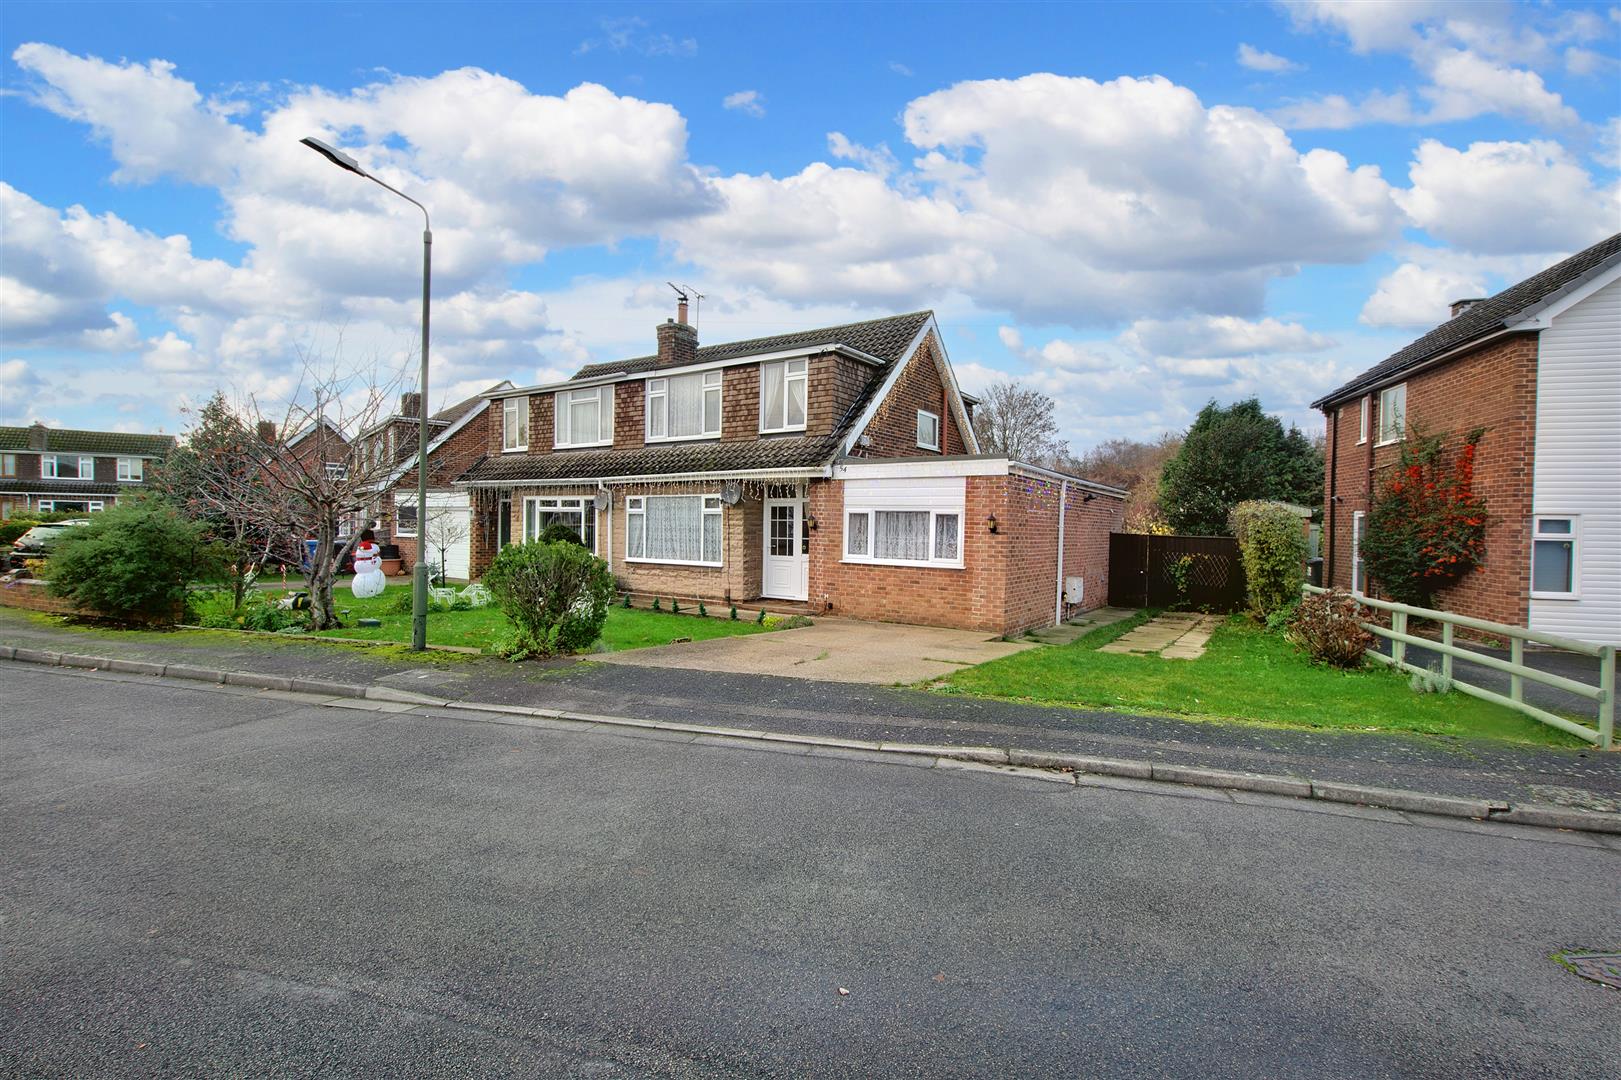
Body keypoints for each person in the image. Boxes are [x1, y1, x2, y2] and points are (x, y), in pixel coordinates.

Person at [351, 528, 387, 598]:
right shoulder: (372, 547)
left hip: (362, 567)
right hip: (369, 567)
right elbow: (376, 551)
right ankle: (371, 590)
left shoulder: (360, 548)